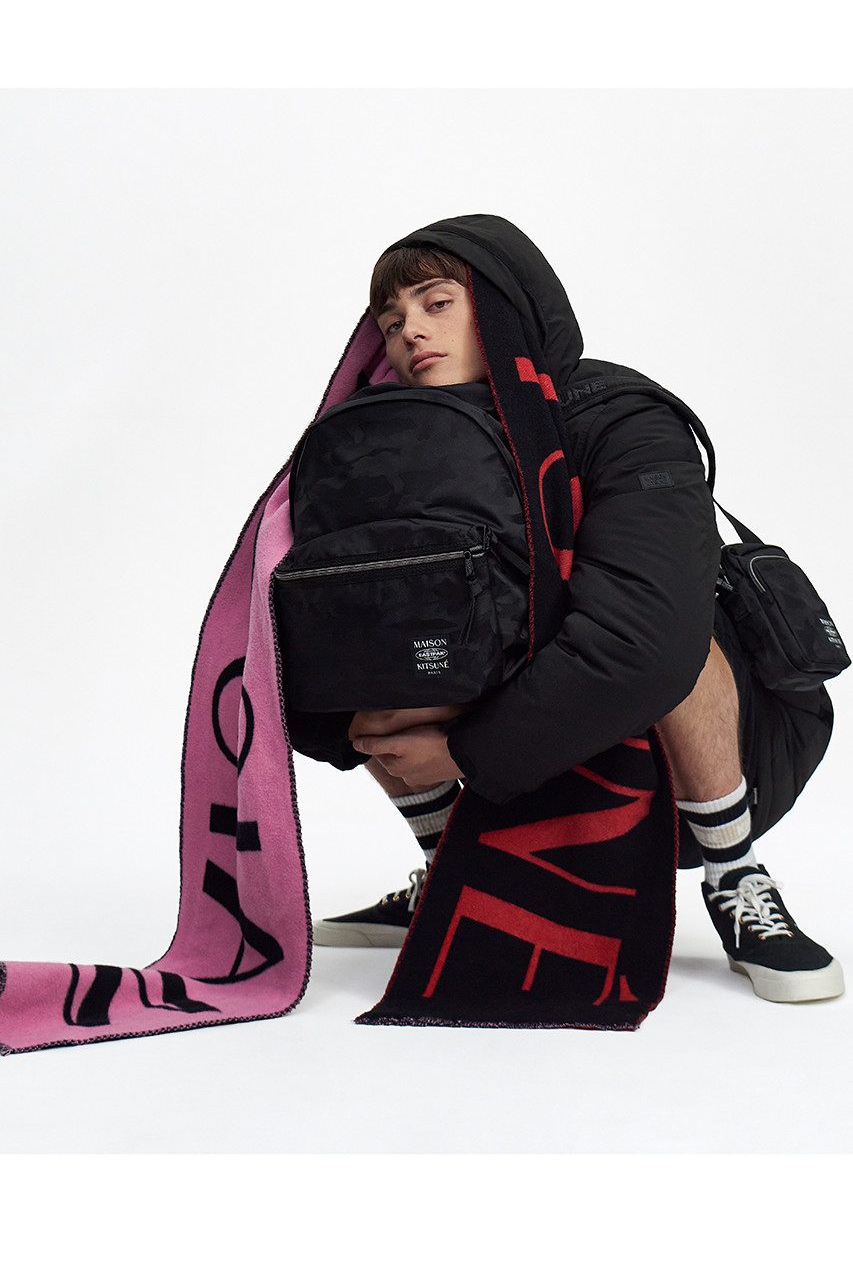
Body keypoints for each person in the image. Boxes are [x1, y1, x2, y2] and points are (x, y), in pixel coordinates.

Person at [308, 214, 843, 1004]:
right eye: (391, 323)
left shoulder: (618, 413)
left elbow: (642, 642)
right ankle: (451, 866)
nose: (409, 332)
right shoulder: (393, 442)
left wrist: (465, 755)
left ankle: (736, 878)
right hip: (524, 729)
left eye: (436, 302)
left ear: (501, 306)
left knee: (678, 632)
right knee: (377, 628)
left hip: (699, 737)